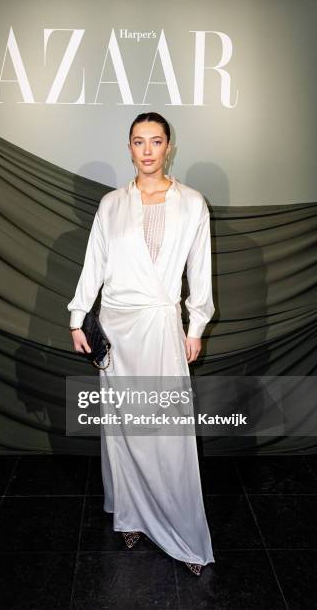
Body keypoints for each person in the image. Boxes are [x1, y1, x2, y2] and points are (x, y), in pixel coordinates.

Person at [67, 112, 215, 576]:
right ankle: (131, 516)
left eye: (155, 141)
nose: (147, 150)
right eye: (138, 141)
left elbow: (200, 271)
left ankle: (182, 531)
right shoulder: (111, 204)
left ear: (169, 147)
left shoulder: (193, 203)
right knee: (123, 428)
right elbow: (95, 262)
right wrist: (77, 316)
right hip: (117, 328)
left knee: (167, 432)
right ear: (128, 148)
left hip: (161, 325)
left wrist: (196, 328)